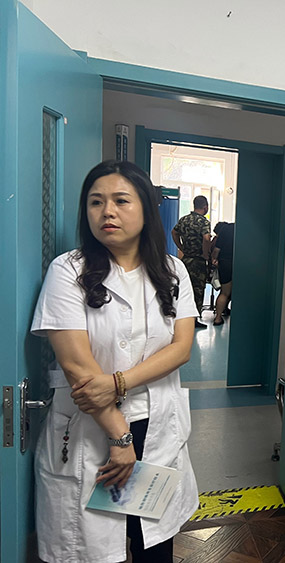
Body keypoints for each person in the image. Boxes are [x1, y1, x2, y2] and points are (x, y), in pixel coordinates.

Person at [31, 160, 199, 563]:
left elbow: (181, 348)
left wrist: (118, 382)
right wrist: (120, 438)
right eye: (96, 202)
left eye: (121, 201)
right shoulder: (67, 270)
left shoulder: (173, 271)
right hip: (95, 428)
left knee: (152, 546)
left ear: (147, 209)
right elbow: (77, 367)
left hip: (155, 425)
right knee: (91, 550)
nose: (107, 211)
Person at [172, 195, 211, 328]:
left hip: (186, 260)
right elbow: (206, 238)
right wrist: (205, 254)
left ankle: (182, 317)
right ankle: (194, 320)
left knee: (184, 289)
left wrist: (181, 247)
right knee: (198, 290)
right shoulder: (203, 222)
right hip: (198, 261)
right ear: (205, 207)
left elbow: (174, 232)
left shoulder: (184, 219)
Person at [210, 221, 234, 325]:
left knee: (224, 293)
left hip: (225, 263)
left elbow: (216, 249)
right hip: (242, 264)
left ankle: (218, 318)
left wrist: (214, 259)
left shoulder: (226, 228)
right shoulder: (247, 229)